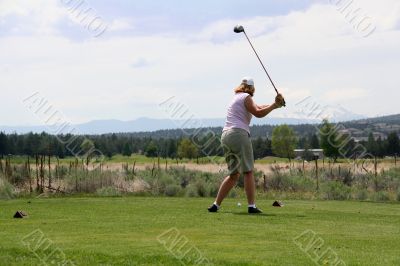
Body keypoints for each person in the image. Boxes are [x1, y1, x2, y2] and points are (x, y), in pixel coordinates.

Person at [208, 77, 285, 214]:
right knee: (248, 171)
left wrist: (275, 104)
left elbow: (258, 107)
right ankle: (251, 206)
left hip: (225, 136)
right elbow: (258, 113)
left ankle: (216, 205)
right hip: (238, 134)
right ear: (252, 88)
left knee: (233, 175)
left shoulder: (236, 97)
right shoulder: (247, 97)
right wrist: (275, 105)